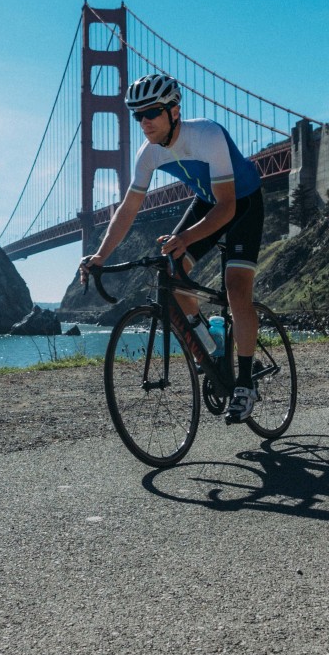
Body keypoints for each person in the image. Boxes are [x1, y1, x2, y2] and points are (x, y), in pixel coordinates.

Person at [78, 73, 265, 423]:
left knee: (236, 288)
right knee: (171, 270)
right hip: (208, 200)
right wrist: (101, 255)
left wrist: (186, 238)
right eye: (137, 115)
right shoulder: (148, 154)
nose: (144, 122)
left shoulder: (207, 135)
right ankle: (212, 346)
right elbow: (129, 209)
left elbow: (227, 207)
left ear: (174, 110)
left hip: (243, 203)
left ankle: (244, 383)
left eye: (151, 112)